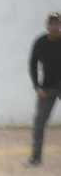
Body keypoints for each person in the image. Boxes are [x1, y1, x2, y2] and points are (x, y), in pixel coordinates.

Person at [28, 12, 61, 167]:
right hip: (46, 87)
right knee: (39, 122)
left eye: (57, 24)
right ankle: (36, 156)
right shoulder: (41, 42)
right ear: (47, 25)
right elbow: (33, 64)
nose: (54, 27)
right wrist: (37, 86)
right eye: (52, 24)